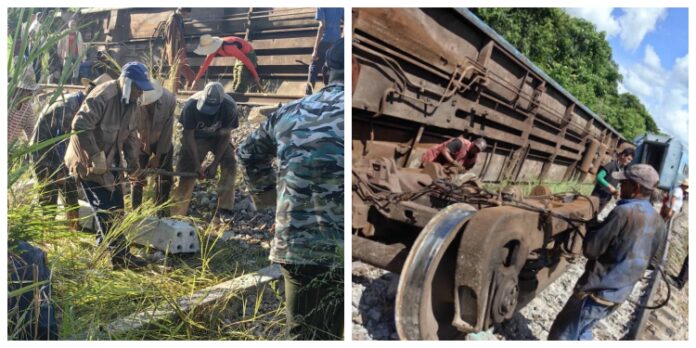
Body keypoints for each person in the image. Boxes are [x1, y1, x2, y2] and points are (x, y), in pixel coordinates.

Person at [237, 38, 345, 340]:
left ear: (325, 73)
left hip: (297, 246)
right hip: (345, 248)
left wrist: (270, 202)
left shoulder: (290, 112)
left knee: (303, 332)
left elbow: (247, 152)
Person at [548, 164, 667, 340]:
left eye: (624, 182)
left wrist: (592, 228)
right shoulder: (659, 221)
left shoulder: (622, 212)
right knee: (583, 330)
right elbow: (653, 262)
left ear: (636, 188)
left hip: (596, 292)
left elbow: (590, 250)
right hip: (619, 295)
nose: (620, 185)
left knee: (562, 334)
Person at [64, 62, 154, 270]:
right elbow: (79, 125)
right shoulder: (103, 95)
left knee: (117, 207)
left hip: (110, 160)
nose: (140, 93)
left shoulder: (133, 104)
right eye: (138, 88)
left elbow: (131, 137)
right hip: (86, 160)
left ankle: (105, 249)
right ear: (127, 83)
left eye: (142, 89)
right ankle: (120, 258)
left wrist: (133, 166)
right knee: (105, 209)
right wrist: (95, 155)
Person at [30, 74, 112, 230]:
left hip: (61, 157)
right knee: (48, 201)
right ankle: (45, 238)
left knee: (72, 199)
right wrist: (60, 171)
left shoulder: (85, 108)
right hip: (44, 156)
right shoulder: (68, 107)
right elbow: (59, 141)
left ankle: (72, 234)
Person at [170, 82, 239, 222]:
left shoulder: (229, 107)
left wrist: (214, 164)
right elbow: (188, 135)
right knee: (187, 169)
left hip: (219, 138)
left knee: (230, 162)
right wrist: (196, 164)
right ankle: (178, 211)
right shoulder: (190, 106)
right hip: (196, 139)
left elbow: (226, 136)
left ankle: (225, 207)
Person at [131, 80, 176, 210]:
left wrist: (158, 156)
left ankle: (160, 208)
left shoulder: (169, 100)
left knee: (165, 174)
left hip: (161, 140)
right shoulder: (135, 100)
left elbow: (167, 131)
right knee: (137, 174)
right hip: (140, 140)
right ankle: (136, 210)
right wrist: (138, 147)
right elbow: (131, 128)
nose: (148, 106)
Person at [191, 35, 262, 92]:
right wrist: (195, 80)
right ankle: (237, 98)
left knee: (241, 77)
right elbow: (204, 65)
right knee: (236, 76)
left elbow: (246, 60)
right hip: (240, 56)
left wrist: (256, 76)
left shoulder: (228, 47)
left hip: (249, 55)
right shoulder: (213, 50)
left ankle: (239, 102)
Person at [306, 8, 343, 95]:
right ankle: (329, 96)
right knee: (330, 69)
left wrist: (315, 50)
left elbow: (322, 26)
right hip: (336, 42)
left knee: (313, 67)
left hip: (324, 41)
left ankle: (308, 95)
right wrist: (341, 37)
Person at [590, 147, 635, 214]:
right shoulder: (611, 165)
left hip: (606, 197)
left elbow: (615, 182)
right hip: (598, 195)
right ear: (623, 156)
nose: (629, 162)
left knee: (596, 215)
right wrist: (610, 187)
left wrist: (615, 191)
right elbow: (599, 177)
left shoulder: (621, 169)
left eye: (630, 160)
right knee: (589, 214)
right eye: (628, 159)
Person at [162, 7, 194, 93]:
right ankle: (173, 95)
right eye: (187, 13)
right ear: (182, 11)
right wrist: (174, 56)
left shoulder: (178, 19)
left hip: (179, 51)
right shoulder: (173, 20)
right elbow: (171, 39)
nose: (187, 15)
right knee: (175, 76)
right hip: (176, 52)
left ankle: (179, 92)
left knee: (189, 76)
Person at [9, 65, 40, 143]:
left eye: (31, 91)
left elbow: (31, 133)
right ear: (19, 89)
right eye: (28, 91)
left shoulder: (27, 109)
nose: (31, 94)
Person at [421, 136, 487, 171]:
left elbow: (466, 169)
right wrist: (454, 162)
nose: (475, 150)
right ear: (472, 142)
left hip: (443, 167)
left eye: (478, 150)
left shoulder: (473, 158)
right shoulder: (460, 143)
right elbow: (444, 151)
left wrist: (462, 170)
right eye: (475, 147)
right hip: (434, 157)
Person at [57, 19, 84, 84]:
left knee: (76, 69)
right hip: (67, 54)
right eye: (71, 24)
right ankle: (64, 82)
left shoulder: (78, 33)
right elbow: (60, 43)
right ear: (69, 25)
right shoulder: (64, 33)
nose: (73, 25)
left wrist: (83, 55)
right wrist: (59, 52)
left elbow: (81, 44)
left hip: (76, 53)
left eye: (74, 24)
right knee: (66, 68)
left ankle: (74, 81)